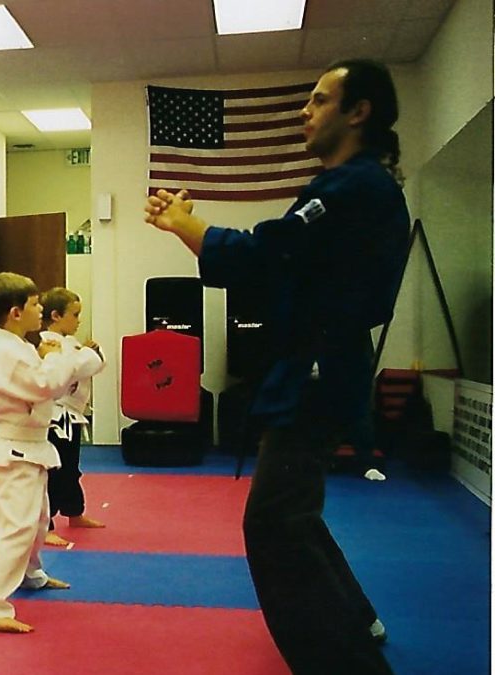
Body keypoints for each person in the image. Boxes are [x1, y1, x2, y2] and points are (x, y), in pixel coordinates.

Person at [144, 59, 407, 675]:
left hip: (316, 371)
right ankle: (356, 619)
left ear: (357, 112)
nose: (304, 112)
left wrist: (189, 224)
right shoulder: (354, 190)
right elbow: (281, 266)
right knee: (293, 515)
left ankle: (342, 661)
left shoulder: (352, 188)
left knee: (273, 526)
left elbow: (268, 255)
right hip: (321, 366)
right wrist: (192, 232)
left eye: (319, 101)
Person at [0, 272, 103, 634]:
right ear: (16, 312)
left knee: (39, 519)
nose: (41, 308)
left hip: (32, 446)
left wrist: (58, 356)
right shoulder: (8, 353)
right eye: (34, 304)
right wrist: (64, 356)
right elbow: (47, 385)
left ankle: (31, 574)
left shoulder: (22, 347)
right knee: (16, 527)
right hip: (16, 450)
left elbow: (59, 373)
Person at [38, 287, 106, 548]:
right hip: (56, 417)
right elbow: (77, 368)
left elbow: (88, 364)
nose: (79, 320)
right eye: (74, 314)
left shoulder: (68, 344)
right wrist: (88, 355)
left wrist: (88, 353)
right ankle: (46, 526)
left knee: (71, 469)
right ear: (56, 316)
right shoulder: (49, 344)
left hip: (72, 415)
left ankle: (74, 512)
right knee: (54, 472)